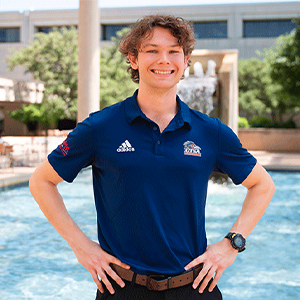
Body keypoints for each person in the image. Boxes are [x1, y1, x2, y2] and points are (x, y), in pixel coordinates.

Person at [29, 15, 275, 300]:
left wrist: (232, 243)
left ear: (185, 61)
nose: (164, 60)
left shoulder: (211, 132)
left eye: (173, 51)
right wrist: (80, 245)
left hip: (194, 289)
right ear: (133, 59)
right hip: (120, 289)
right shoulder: (100, 128)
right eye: (152, 50)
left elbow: (263, 185)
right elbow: (41, 182)